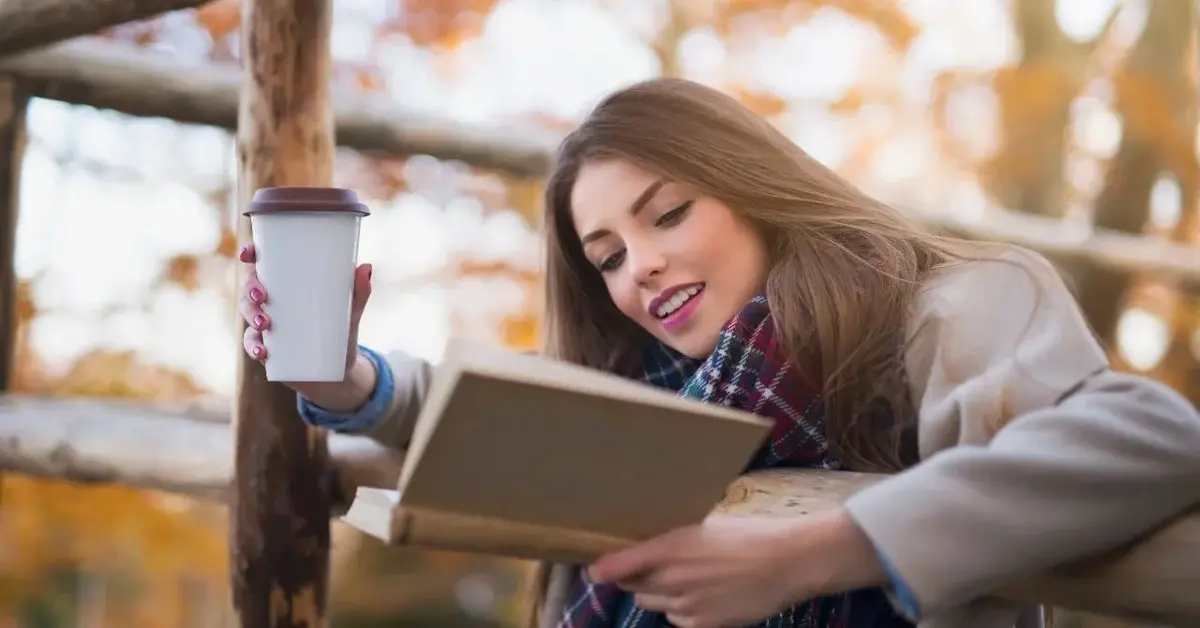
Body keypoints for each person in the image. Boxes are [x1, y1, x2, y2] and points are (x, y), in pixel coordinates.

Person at [236, 78, 1200, 628]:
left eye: (669, 215)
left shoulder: (951, 304)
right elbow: (494, 404)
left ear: (750, 187)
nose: (641, 268)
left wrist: (817, 552)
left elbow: (1156, 435)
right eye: (607, 257)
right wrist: (345, 379)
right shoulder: (650, 394)